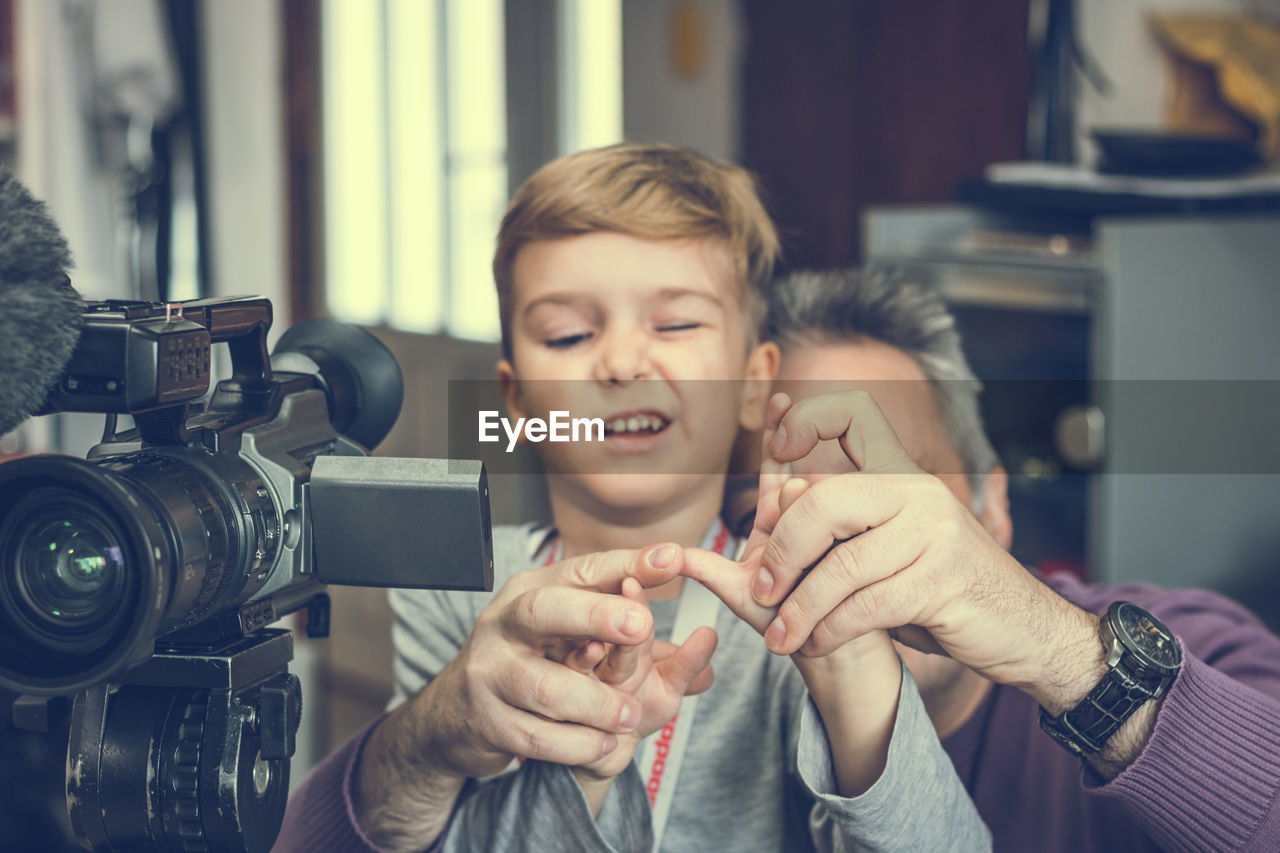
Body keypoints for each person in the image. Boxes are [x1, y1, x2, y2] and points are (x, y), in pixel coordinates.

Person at [276, 145, 990, 852]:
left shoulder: (799, 605)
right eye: (569, 334)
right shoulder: (459, 590)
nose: (619, 363)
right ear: (518, 398)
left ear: (751, 383)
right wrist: (566, 762)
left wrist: (853, 666)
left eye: (675, 323)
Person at [688, 267, 1280, 852]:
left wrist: (1067, 660)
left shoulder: (1199, 650)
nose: (833, 552)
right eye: (772, 517)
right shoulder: (701, 727)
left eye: (883, 492)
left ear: (991, 505)